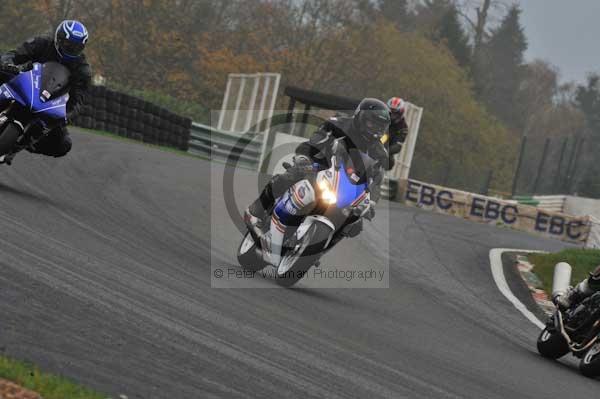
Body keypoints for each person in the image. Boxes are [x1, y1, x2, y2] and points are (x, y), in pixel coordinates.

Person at [244, 98, 391, 235]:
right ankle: (256, 210)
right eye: (372, 124)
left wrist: (370, 203)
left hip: (346, 183)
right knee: (291, 176)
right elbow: (316, 140)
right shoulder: (337, 124)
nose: (375, 130)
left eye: (380, 127)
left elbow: (376, 180)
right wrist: (305, 159)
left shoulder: (380, 152)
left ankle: (316, 249)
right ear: (361, 117)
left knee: (354, 226)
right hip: (319, 164)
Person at [0, 20, 91, 165]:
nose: (71, 50)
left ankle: (22, 145)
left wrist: (68, 115)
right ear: (58, 39)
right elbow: (15, 54)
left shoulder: (82, 69)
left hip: (50, 103)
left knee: (63, 144)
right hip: (24, 84)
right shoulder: (42, 43)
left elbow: (78, 100)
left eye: (76, 47)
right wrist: (7, 63)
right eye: (68, 45)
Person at [384, 97, 409, 171]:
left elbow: (398, 145)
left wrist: (385, 151)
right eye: (390, 112)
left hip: (384, 149)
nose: (392, 115)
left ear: (401, 112)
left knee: (389, 162)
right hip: (369, 142)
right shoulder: (379, 116)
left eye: (395, 113)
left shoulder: (402, 127)